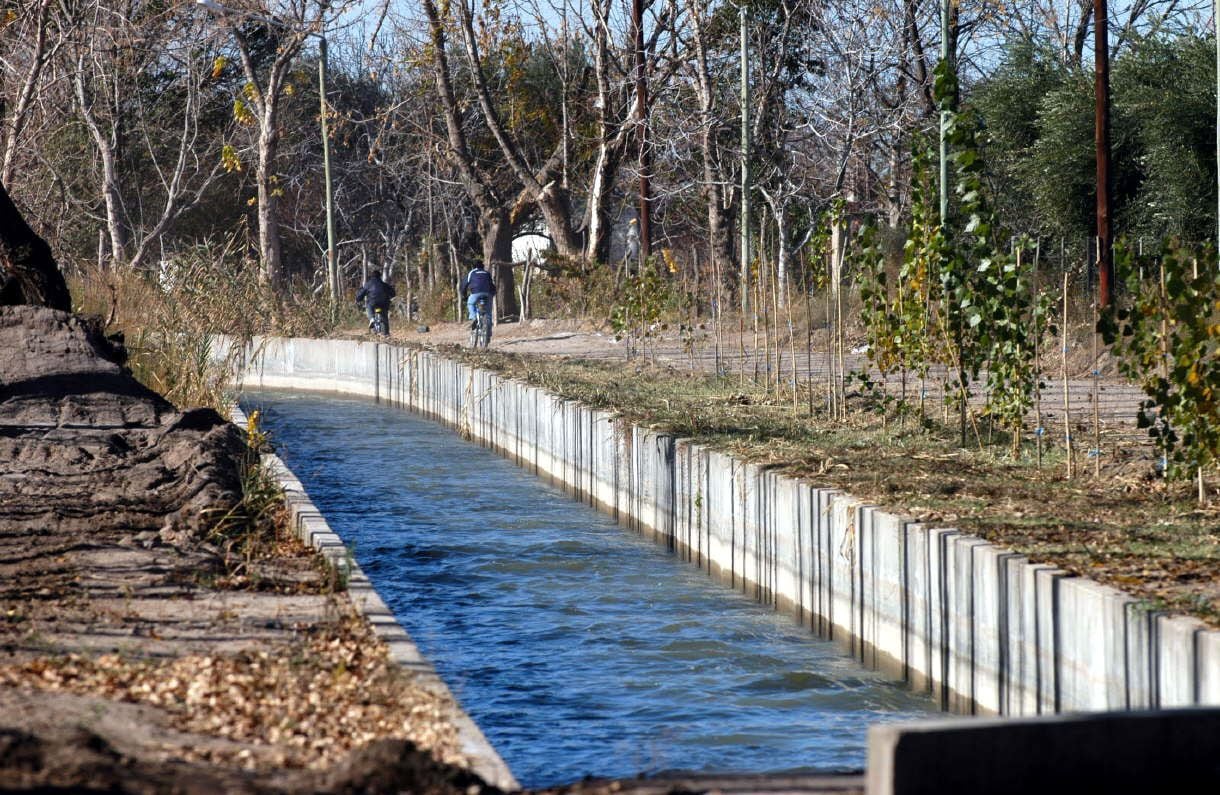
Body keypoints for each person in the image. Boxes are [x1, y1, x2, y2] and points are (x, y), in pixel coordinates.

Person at [355, 270, 396, 334]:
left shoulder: (368, 284)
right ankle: (386, 334)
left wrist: (358, 299)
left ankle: (372, 319)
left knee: (368, 306)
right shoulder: (384, 284)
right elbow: (393, 293)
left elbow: (360, 295)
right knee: (384, 317)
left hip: (373, 303)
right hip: (383, 303)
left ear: (371, 277)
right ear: (380, 276)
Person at [460, 260, 496, 330]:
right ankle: (489, 329)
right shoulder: (487, 273)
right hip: (487, 294)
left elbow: (464, 285)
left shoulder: (471, 273)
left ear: (474, 267)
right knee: (488, 311)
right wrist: (493, 294)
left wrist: (464, 295)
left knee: (470, 303)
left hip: (475, 293)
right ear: (482, 266)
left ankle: (474, 317)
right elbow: (492, 285)